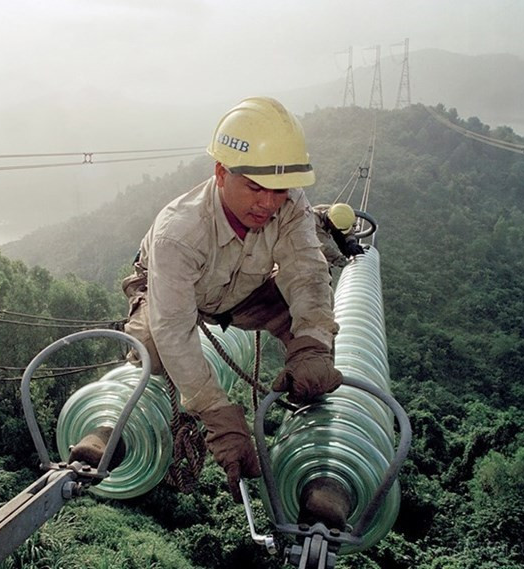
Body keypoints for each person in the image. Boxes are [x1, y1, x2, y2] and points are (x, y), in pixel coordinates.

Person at [72, 97, 343, 504]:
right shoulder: (179, 233)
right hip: (172, 294)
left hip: (245, 291)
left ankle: (313, 440)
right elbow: (175, 330)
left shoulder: (288, 206)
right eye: (255, 187)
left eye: (280, 190)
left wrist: (313, 343)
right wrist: (217, 414)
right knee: (152, 351)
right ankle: (121, 425)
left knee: (311, 339)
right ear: (221, 173)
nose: (269, 204)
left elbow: (305, 271)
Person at [312, 203, 365, 269]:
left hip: (327, 228)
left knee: (340, 236)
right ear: (331, 223)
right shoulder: (312, 222)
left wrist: (351, 242)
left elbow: (347, 228)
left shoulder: (337, 213)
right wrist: (339, 259)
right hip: (302, 251)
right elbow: (322, 246)